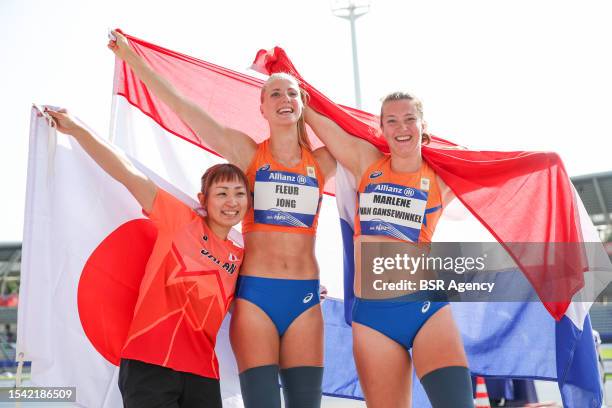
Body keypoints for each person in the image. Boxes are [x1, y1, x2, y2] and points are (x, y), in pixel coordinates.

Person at [108, 31, 336, 408]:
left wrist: (307, 104)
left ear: (303, 104)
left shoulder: (323, 162)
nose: (284, 99)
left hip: (306, 296)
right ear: (260, 107)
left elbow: (362, 142)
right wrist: (134, 62)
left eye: (292, 94)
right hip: (256, 296)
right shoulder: (248, 154)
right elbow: (186, 109)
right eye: (274, 94)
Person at [44, 108, 250, 408]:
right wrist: (77, 129)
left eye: (239, 194)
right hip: (148, 364)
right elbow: (126, 172)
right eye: (222, 193)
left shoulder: (241, 257)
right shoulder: (180, 221)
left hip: (204, 374)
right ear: (203, 200)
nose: (231, 202)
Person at [305, 92, 474, 408]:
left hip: (425, 308)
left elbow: (497, 175)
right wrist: (293, 84)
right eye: (392, 121)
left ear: (423, 126)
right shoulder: (366, 162)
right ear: (381, 128)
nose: (402, 127)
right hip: (374, 318)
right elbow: (319, 119)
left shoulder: (441, 177)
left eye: (410, 118)